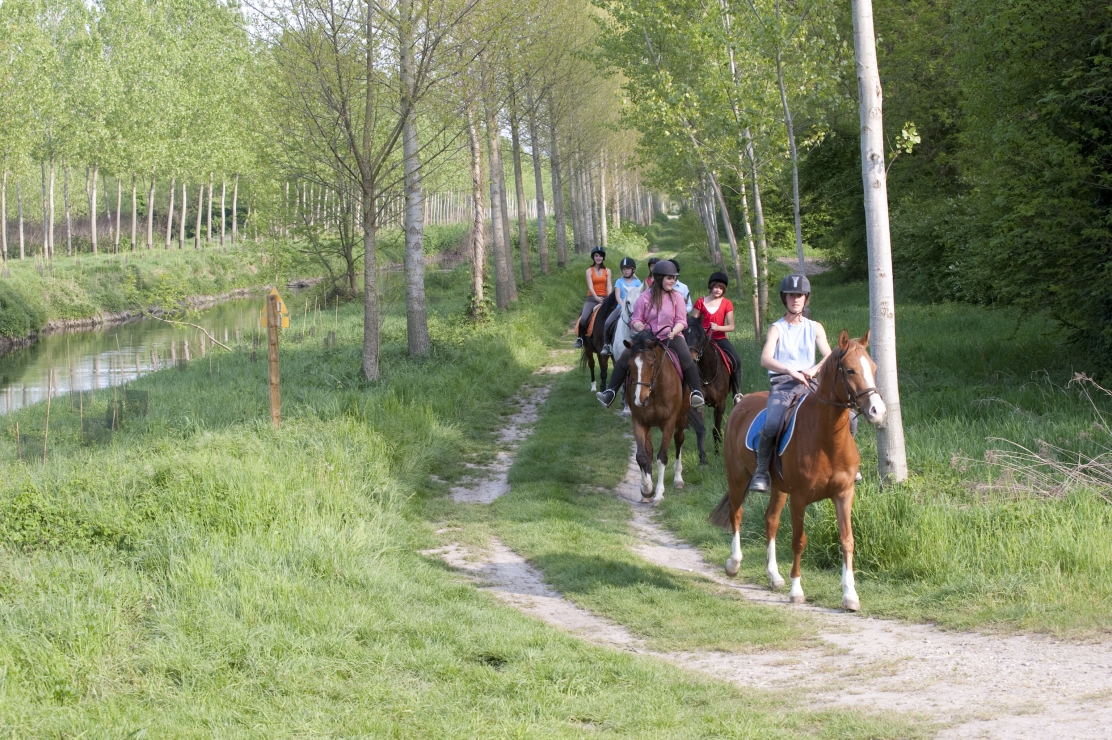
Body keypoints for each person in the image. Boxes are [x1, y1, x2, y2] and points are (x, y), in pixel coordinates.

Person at [748, 274, 833, 493]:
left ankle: (843, 464)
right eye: (791, 295)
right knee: (773, 423)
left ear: (806, 298)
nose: (796, 299)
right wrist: (788, 369)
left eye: (800, 295)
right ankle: (761, 471)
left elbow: (829, 356)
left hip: (809, 384)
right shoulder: (776, 328)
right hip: (783, 385)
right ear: (784, 299)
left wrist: (814, 369)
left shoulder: (815, 327)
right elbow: (765, 359)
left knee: (847, 416)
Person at [596, 260, 705, 409]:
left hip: (671, 336)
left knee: (687, 359)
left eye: (674, 278)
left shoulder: (678, 297)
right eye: (669, 278)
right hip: (648, 337)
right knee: (625, 357)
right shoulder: (644, 298)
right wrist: (637, 324)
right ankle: (610, 393)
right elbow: (636, 319)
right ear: (659, 278)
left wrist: (675, 330)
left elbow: (682, 320)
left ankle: (696, 393)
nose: (673, 281)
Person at [691, 271, 741, 400]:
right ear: (710, 286)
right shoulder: (700, 302)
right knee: (689, 360)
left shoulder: (727, 304)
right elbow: (693, 323)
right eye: (715, 287)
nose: (717, 290)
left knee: (736, 360)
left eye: (721, 288)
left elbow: (731, 326)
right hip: (702, 340)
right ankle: (691, 392)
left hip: (720, 339)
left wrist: (718, 327)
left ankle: (736, 393)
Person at [601, 257, 641, 356]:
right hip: (621, 308)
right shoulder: (619, 281)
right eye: (623, 269)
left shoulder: (637, 282)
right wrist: (624, 306)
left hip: (634, 309)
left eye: (628, 269)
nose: (625, 271)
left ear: (632, 269)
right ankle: (607, 345)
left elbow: (640, 297)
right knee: (608, 322)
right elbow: (618, 296)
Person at [574, 247, 611, 349]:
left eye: (600, 256)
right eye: (596, 256)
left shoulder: (607, 271)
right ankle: (580, 338)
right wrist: (597, 298)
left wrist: (609, 298)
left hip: (605, 298)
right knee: (584, 317)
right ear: (593, 257)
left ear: (603, 257)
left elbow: (609, 286)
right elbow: (590, 286)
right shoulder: (589, 271)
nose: (598, 258)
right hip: (592, 298)